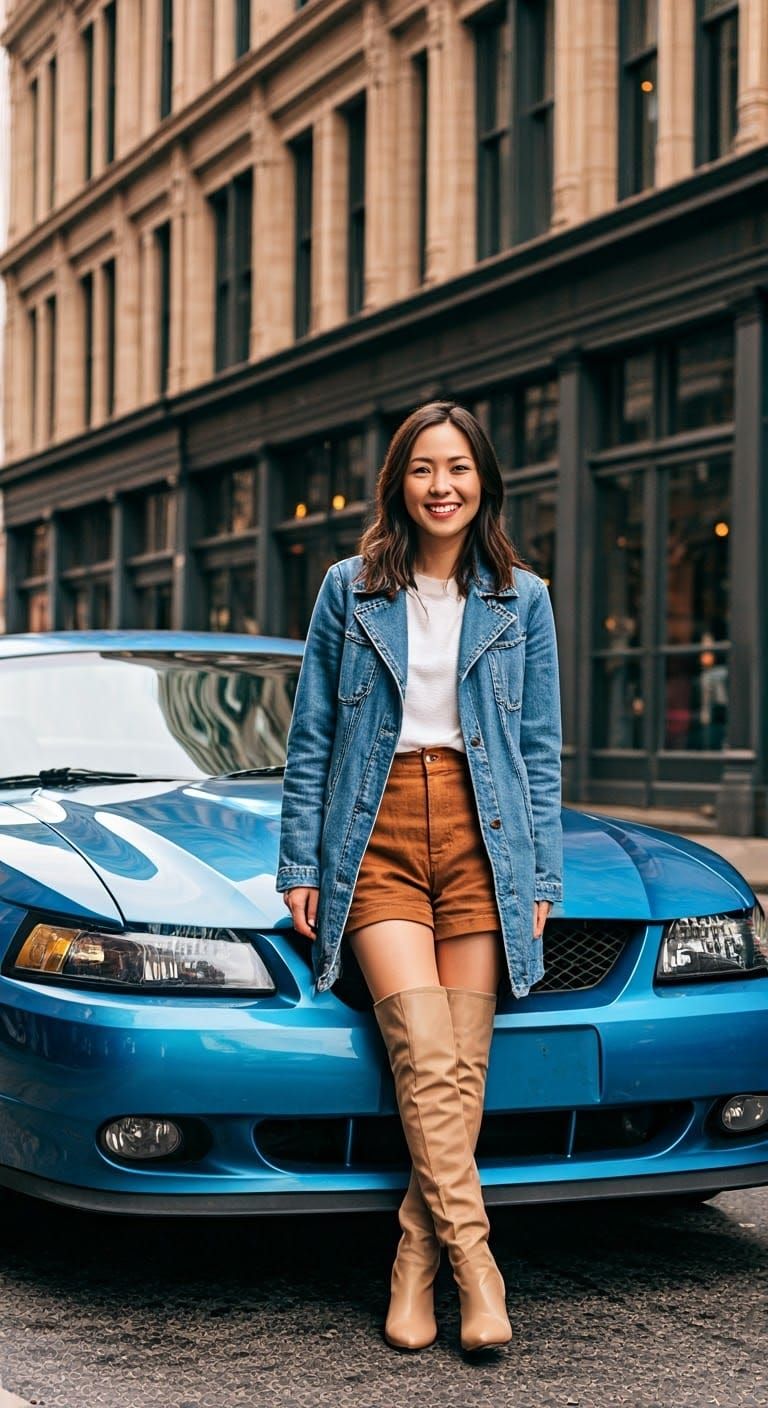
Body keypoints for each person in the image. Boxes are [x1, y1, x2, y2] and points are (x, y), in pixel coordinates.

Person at [276, 402, 563, 1354]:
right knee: (427, 1055)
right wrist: (301, 864)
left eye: (460, 468)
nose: (443, 486)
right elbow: (312, 736)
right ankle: (481, 1270)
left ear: (484, 483)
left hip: (488, 836)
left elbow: (538, 748)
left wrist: (540, 869)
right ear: (399, 482)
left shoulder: (523, 598)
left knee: (461, 1071)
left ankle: (414, 1259)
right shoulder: (347, 591)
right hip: (379, 830)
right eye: (423, 469)